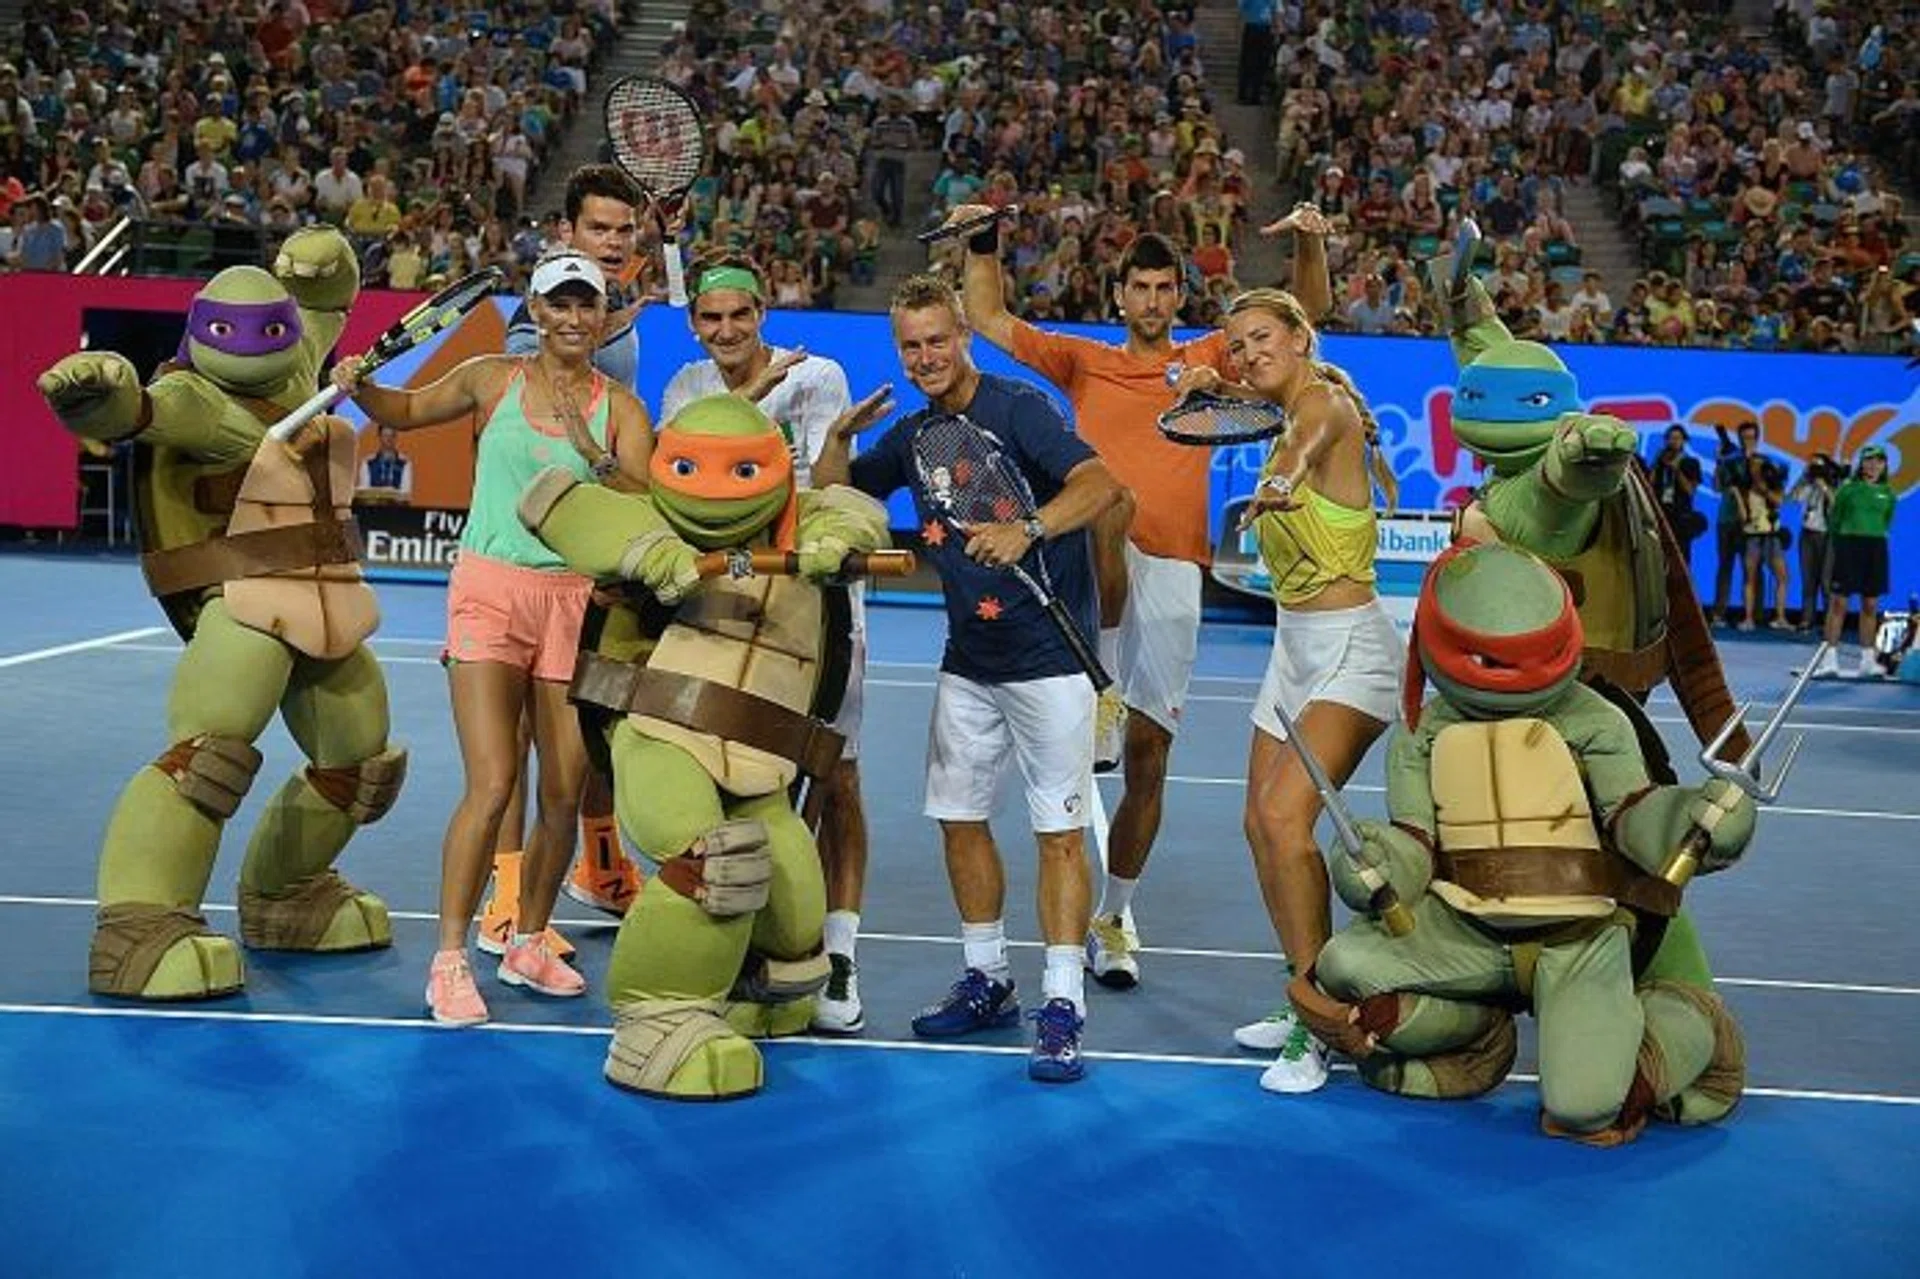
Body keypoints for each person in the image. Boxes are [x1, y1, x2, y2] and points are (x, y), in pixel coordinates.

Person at [948, 200, 1332, 992]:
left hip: (1175, 575)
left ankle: (1115, 913)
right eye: (1140, 287)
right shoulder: (1085, 361)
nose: (1152, 300)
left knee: (1149, 764)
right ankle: (1106, 683)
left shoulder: (1208, 360)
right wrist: (981, 238)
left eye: (1165, 287)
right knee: (1110, 500)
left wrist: (1308, 244)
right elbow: (984, 314)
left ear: (1177, 297)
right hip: (1095, 568)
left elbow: (1308, 316)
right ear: (1118, 295)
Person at [812, 274, 1123, 1083]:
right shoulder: (913, 434)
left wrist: (1027, 529)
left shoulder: (1020, 409)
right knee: (958, 819)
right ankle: (987, 977)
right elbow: (834, 493)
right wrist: (839, 440)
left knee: (1057, 835)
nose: (925, 357)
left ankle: (1062, 1001)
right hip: (969, 661)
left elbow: (1100, 485)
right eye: (910, 346)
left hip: (1051, 659)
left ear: (964, 336)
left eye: (937, 340)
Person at [333, 251, 654, 1025]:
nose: (574, 318)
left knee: (564, 792)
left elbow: (644, 501)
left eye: (588, 305)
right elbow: (405, 411)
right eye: (559, 304)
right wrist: (357, 386)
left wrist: (592, 446)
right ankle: (449, 959)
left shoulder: (623, 409)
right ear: (536, 314)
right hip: (489, 591)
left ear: (605, 317)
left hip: (575, 602)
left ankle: (530, 940)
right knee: (494, 782)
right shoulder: (490, 378)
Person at [1186, 293, 1404, 1092]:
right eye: (1238, 345)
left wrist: (1278, 476)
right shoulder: (1278, 400)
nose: (1247, 353)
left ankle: (1319, 1020)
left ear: (1300, 337)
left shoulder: (1324, 405)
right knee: (1258, 823)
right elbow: (1240, 383)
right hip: (1292, 650)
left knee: (1286, 819)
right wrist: (1201, 378)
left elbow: (1303, 445)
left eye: (1262, 338)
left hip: (1354, 650)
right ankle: (1302, 982)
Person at [660, 250, 873, 1035]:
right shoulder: (686, 388)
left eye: (739, 315)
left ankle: (837, 949)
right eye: (710, 318)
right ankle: (758, 942)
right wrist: (751, 397)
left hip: (816, 598)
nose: (726, 329)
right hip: (725, 602)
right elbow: (684, 484)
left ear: (762, 315)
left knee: (836, 774)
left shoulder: (819, 380)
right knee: (743, 778)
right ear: (694, 323)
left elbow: (817, 489)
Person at [485, 164, 653, 947]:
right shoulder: (547, 321)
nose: (614, 243)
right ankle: (507, 899)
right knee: (517, 747)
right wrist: (605, 326)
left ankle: (602, 867)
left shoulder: (618, 312)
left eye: (625, 230)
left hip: (593, 569)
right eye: (599, 229)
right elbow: (539, 371)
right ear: (567, 235)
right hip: (523, 563)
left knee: (589, 735)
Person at [1812, 444, 1896, 678]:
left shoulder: (1888, 494)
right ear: (1862, 464)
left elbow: (1886, 522)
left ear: (1884, 465)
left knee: (1870, 605)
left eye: (1879, 461)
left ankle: (1867, 661)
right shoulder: (1848, 489)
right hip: (1849, 546)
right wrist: (1844, 545)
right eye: (1869, 460)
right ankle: (1829, 661)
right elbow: (1835, 519)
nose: (1873, 465)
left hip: (1876, 548)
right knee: (1839, 604)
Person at [1787, 452, 1837, 629]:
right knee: (1808, 580)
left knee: (1825, 581)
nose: (1816, 471)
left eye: (1818, 467)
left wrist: (1824, 486)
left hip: (1827, 536)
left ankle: (1830, 622)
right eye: (1813, 466)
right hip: (1807, 534)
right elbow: (1791, 498)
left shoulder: (1834, 485)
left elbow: (1836, 505)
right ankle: (1807, 619)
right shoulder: (1809, 486)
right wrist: (1803, 476)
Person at [1648, 425, 1705, 574]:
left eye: (1677, 438)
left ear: (1684, 441)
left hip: (1681, 516)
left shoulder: (1691, 462)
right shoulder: (1660, 462)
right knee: (1658, 556)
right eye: (1670, 438)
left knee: (1681, 557)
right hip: (1660, 513)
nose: (1673, 442)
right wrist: (1656, 463)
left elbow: (1690, 491)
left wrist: (1676, 470)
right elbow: (1649, 484)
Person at [355, 424, 414, 504]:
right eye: (385, 435)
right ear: (379, 437)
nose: (388, 439)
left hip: (397, 510)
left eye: (392, 436)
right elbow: (364, 491)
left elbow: (405, 494)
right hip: (373, 509)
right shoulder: (368, 462)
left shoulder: (405, 463)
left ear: (395, 437)